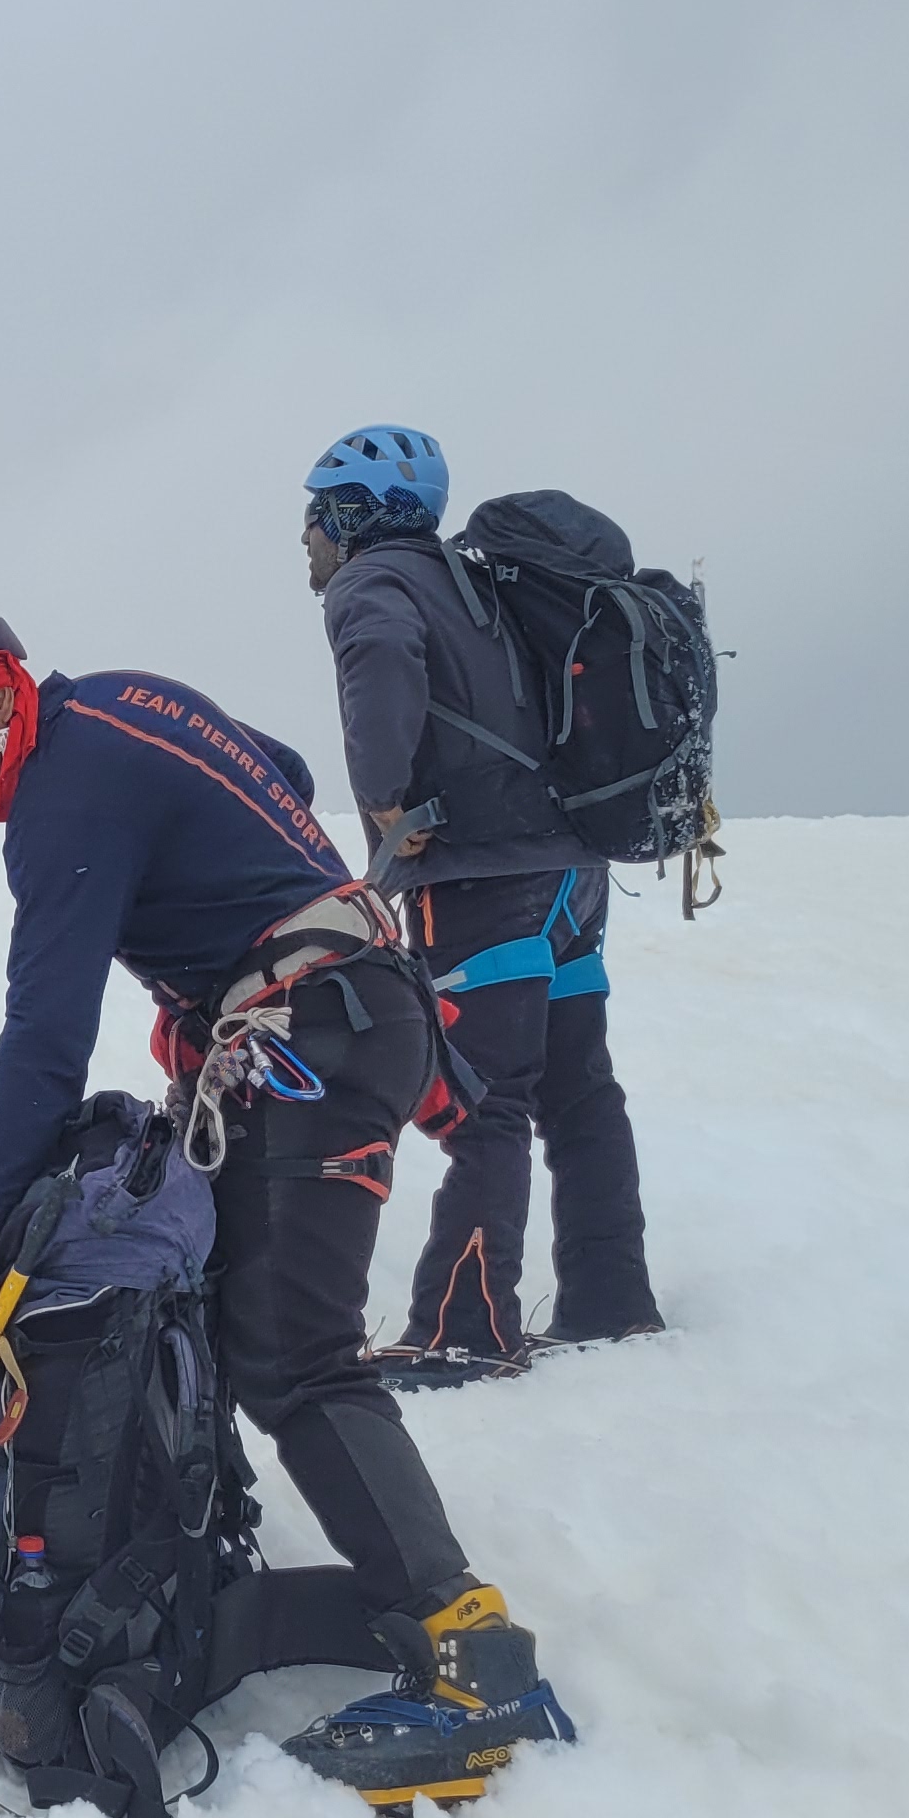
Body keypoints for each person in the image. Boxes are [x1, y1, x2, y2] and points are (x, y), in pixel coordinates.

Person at [0, 590, 575, 1807]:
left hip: (315, 1032)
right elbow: (273, 771)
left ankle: (469, 1657)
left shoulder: (65, 788)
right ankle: (213, 1567)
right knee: (230, 1321)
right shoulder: (128, 708)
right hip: (325, 1018)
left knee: (297, 1355)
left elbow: (45, 1036)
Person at [303, 425, 662, 1385]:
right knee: (580, 1090)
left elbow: (380, 658)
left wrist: (382, 800)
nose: (305, 535)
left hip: (480, 879)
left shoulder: (374, 584)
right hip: (570, 882)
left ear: (352, 514)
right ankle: (612, 1298)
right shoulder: (479, 581)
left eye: (315, 511)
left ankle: (466, 1327)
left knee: (484, 1096)